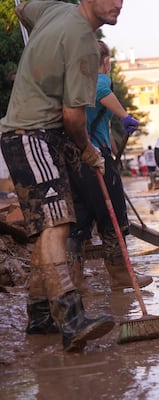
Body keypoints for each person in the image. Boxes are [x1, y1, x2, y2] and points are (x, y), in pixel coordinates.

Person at [0, 0, 122, 352]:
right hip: (34, 134)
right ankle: (71, 318)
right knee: (57, 223)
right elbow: (73, 119)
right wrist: (87, 150)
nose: (119, 4)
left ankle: (39, 315)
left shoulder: (55, 9)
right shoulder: (85, 44)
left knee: (46, 226)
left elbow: (23, 8)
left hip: (24, 135)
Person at [67, 40, 153, 295]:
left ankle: (73, 281)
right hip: (93, 157)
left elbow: (101, 125)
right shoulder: (97, 78)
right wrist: (125, 116)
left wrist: (116, 155)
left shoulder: (73, 83)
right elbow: (103, 88)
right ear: (104, 60)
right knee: (112, 213)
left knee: (80, 220)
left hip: (75, 159)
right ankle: (121, 275)